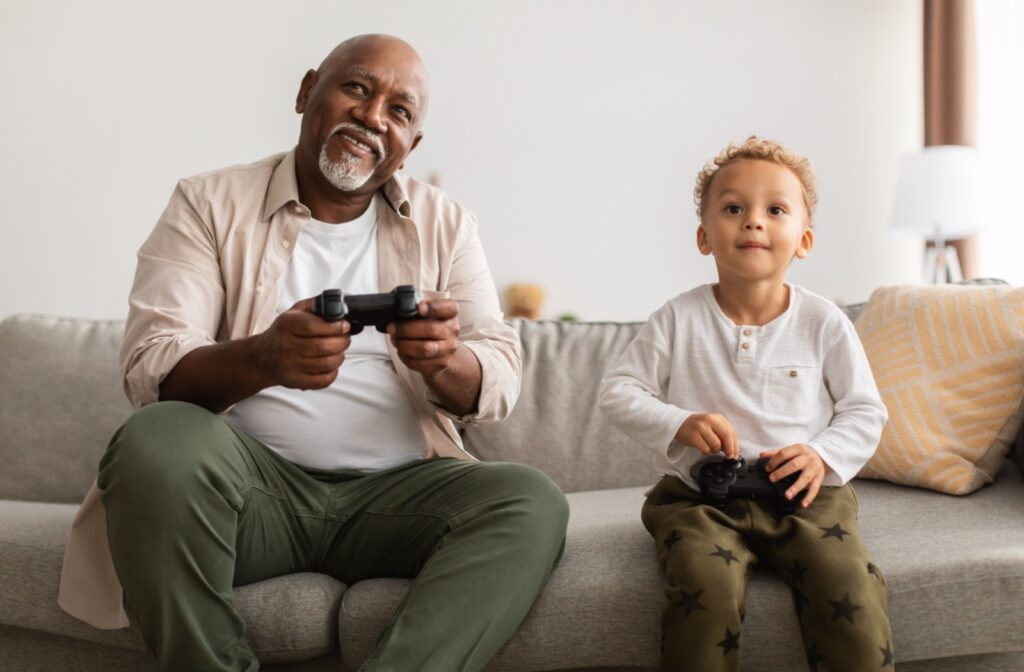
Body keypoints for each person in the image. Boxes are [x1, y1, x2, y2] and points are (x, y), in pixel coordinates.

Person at [57, 34, 569, 672]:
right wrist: (263, 359)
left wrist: (444, 360)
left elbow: (499, 376)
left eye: (400, 111)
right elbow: (152, 364)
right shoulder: (207, 203)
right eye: (356, 87)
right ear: (307, 92)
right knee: (154, 439)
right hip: (249, 499)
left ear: (412, 145)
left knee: (530, 500)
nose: (373, 116)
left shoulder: (447, 224)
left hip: (400, 501)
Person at [598, 137, 893, 671]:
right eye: (733, 208)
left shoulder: (824, 323)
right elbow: (617, 391)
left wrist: (821, 456)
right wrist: (680, 421)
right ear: (703, 236)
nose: (752, 221)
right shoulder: (677, 318)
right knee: (703, 587)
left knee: (849, 588)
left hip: (807, 500)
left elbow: (864, 410)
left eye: (774, 210)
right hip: (700, 498)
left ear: (802, 240)